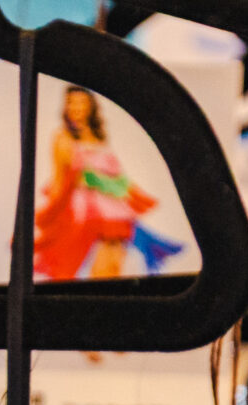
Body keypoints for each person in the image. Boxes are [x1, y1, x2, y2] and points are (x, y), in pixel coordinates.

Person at [33, 86, 181, 280]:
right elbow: (61, 176)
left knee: (114, 261)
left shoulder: (98, 136)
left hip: (114, 207)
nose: (76, 107)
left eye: (81, 102)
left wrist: (129, 192)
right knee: (95, 265)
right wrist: (52, 213)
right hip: (88, 210)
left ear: (90, 106)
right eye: (72, 102)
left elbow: (116, 174)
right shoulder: (63, 137)